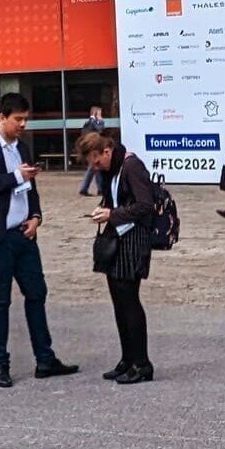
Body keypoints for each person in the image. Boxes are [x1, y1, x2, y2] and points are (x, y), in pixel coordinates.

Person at [0, 95, 79, 388]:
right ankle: (0, 363)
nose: (23, 125)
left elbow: (31, 189)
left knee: (37, 293)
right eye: (18, 119)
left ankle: (45, 358)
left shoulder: (22, 146)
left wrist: (37, 216)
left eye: (26, 119)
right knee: (0, 299)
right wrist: (15, 176)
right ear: (1, 117)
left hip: (25, 234)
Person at [82, 129, 157, 384]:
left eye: (97, 160)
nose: (96, 166)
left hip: (134, 240)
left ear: (107, 150)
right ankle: (127, 358)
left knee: (129, 300)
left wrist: (112, 215)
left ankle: (142, 363)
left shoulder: (131, 166)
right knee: (118, 301)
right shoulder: (111, 169)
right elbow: (116, 198)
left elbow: (145, 205)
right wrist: (104, 209)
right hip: (117, 238)